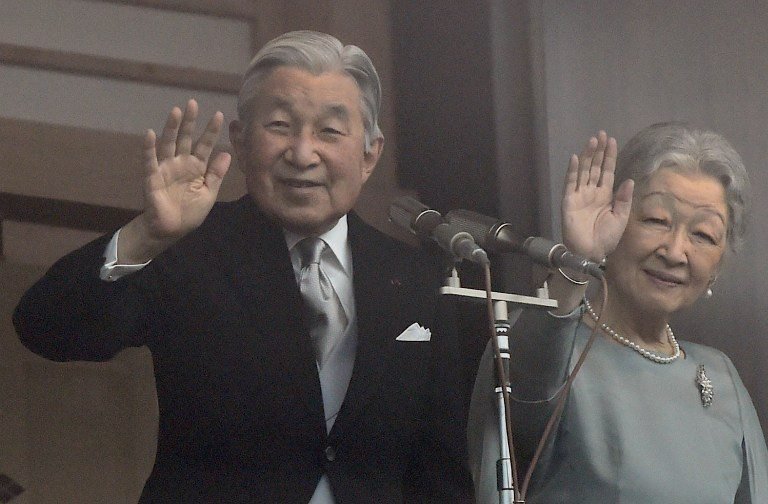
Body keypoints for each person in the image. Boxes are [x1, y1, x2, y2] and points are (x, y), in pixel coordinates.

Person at [14, 31, 472, 503]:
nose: (302, 153)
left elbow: (439, 471)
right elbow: (48, 330)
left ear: (370, 154)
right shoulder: (190, 247)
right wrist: (146, 234)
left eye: (330, 132)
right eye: (279, 125)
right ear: (241, 140)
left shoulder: (413, 279)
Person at [468, 123, 768, 503]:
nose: (675, 252)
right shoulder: (551, 350)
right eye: (656, 220)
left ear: (719, 264)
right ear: (616, 220)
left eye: (703, 235)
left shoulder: (722, 378)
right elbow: (521, 403)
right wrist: (577, 262)